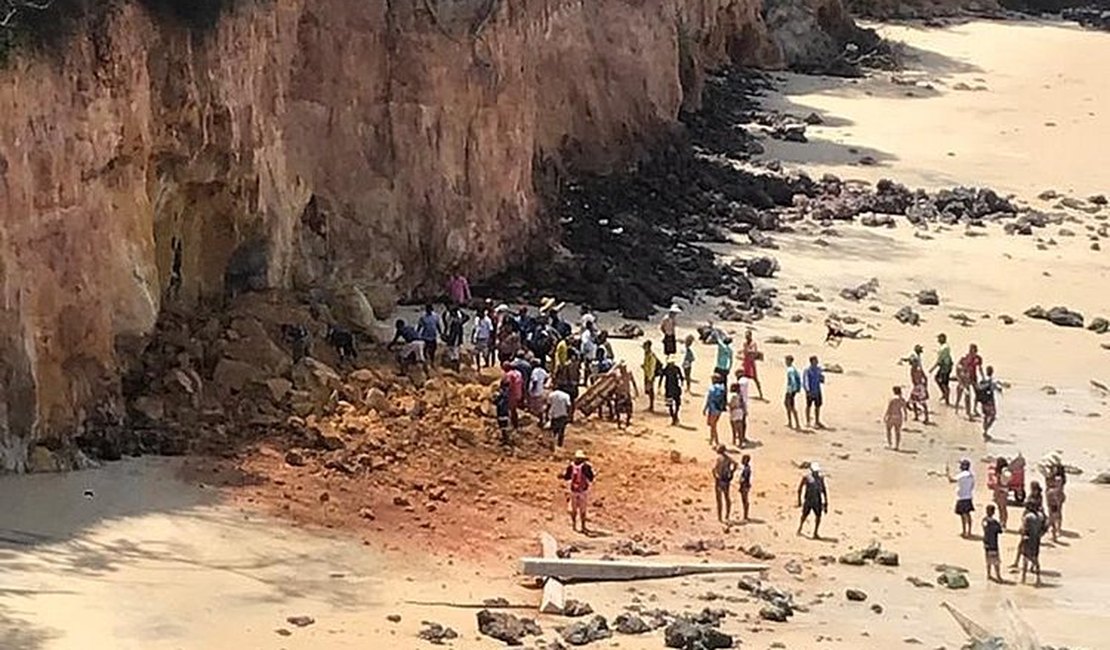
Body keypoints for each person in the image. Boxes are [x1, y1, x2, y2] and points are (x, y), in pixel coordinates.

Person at [561, 450, 595, 534]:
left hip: (573, 490)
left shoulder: (571, 466)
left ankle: (574, 525)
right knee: (582, 509)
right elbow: (591, 478)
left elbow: (567, 477)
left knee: (574, 509)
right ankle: (582, 526)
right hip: (583, 490)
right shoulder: (586, 467)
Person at [796, 463, 828, 539]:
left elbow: (824, 490)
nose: (816, 473)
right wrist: (799, 501)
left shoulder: (821, 479)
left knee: (818, 517)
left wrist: (826, 502)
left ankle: (815, 532)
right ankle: (800, 528)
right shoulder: (806, 478)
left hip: (818, 501)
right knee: (804, 515)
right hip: (808, 500)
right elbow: (799, 489)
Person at [947, 458, 976, 538]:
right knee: (968, 514)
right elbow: (972, 486)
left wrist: (948, 473)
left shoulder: (961, 475)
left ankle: (964, 531)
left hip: (961, 497)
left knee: (962, 515)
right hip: (968, 496)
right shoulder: (971, 475)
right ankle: (969, 531)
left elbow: (951, 480)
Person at [1020, 500, 1045, 586]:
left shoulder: (1028, 517)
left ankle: (1023, 578)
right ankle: (1038, 578)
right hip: (1036, 540)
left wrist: (1023, 535)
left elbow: (1023, 529)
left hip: (1028, 539)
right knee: (1035, 559)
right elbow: (1045, 527)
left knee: (1025, 559)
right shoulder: (1040, 516)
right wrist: (1040, 534)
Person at [956, 344, 984, 419]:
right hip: (966, 379)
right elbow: (958, 367)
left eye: (974, 351)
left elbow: (980, 368)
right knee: (966, 395)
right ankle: (962, 409)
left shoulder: (978, 358)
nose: (972, 352)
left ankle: (974, 409)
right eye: (971, 351)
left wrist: (983, 377)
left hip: (974, 378)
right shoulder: (965, 358)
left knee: (978, 394)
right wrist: (960, 378)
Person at [712, 445, 737, 524]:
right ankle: (727, 515)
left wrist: (716, 477)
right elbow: (736, 464)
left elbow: (714, 469)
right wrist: (732, 472)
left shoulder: (718, 459)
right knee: (727, 497)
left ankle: (720, 517)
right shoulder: (728, 458)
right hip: (726, 479)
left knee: (719, 499)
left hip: (719, 480)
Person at [976, 365, 1001, 440]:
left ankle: (985, 431)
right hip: (990, 401)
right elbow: (995, 388)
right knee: (992, 416)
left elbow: (978, 388)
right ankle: (985, 431)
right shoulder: (991, 381)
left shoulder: (982, 379)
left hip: (983, 401)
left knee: (986, 416)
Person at [660, 356, 685, 426]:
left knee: (672, 404)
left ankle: (674, 417)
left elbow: (661, 377)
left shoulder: (667, 369)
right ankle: (675, 417)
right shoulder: (676, 368)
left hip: (669, 389)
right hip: (674, 388)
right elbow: (682, 378)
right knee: (674, 404)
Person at [703, 374, 727, 447]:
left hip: (713, 408)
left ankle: (716, 441)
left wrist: (705, 408)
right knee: (713, 424)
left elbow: (709, 399)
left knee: (713, 425)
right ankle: (711, 439)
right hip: (719, 409)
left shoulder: (712, 388)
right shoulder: (722, 387)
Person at [802, 355, 825, 429]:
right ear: (811, 362)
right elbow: (805, 381)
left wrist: (822, 378)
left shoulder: (818, 369)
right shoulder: (807, 370)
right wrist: (807, 390)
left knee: (817, 406)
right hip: (810, 391)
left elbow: (821, 380)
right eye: (815, 360)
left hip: (817, 391)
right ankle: (808, 421)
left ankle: (817, 421)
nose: (817, 362)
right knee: (808, 406)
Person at [983, 504, 1004, 583]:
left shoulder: (984, 520)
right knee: (996, 561)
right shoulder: (994, 522)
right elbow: (1000, 531)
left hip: (986, 542)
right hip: (994, 543)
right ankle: (998, 576)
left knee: (988, 559)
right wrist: (1001, 525)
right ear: (994, 512)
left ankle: (989, 574)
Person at [988, 457, 1011, 529]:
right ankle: (1002, 522)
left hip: (1001, 491)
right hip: (1002, 491)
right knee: (1002, 508)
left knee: (1002, 508)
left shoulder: (1002, 472)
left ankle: (1003, 522)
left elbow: (999, 482)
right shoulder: (1003, 471)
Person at [931, 333, 954, 406]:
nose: (938, 340)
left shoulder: (944, 348)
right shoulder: (944, 347)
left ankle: (947, 399)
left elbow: (939, 360)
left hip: (945, 367)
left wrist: (932, 368)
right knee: (938, 379)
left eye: (939, 338)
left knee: (944, 383)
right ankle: (944, 393)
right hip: (946, 366)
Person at [883, 385, 909, 450]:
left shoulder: (892, 399)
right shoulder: (902, 400)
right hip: (899, 416)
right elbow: (905, 409)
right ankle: (897, 445)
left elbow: (889, 408)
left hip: (892, 416)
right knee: (897, 431)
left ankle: (890, 444)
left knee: (888, 430)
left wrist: (885, 416)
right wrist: (906, 416)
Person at [612, 362, 637, 428]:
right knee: (618, 409)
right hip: (620, 394)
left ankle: (627, 422)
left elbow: (634, 382)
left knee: (629, 410)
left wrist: (636, 391)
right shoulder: (617, 376)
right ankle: (619, 423)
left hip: (626, 394)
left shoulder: (628, 374)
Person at [442, 304, 467, 370]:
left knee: (454, 353)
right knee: (453, 353)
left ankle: (455, 368)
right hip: (454, 337)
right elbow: (446, 325)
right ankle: (454, 367)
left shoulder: (455, 320)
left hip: (454, 338)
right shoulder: (449, 316)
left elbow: (453, 331)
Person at [741, 330, 764, 400]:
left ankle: (760, 393)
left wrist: (748, 351)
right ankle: (741, 392)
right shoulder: (745, 343)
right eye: (746, 336)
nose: (746, 337)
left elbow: (754, 352)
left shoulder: (753, 343)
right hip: (746, 362)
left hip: (751, 363)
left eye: (748, 336)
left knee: (755, 379)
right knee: (742, 377)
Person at [909, 356, 931, 425]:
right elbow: (913, 379)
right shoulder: (913, 369)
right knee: (913, 402)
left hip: (920, 387)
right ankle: (916, 416)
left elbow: (925, 378)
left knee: (923, 403)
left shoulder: (918, 370)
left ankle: (926, 418)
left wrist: (925, 386)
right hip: (916, 387)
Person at [501, 362, 524, 429]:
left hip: (512, 394)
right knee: (514, 409)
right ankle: (514, 423)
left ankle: (514, 424)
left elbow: (507, 384)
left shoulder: (508, 375)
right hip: (518, 393)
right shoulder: (518, 373)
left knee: (511, 410)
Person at [641, 340, 661, 412]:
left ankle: (651, 406)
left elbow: (652, 367)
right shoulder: (647, 354)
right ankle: (650, 405)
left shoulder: (651, 355)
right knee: (648, 390)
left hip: (649, 375)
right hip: (647, 374)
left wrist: (650, 378)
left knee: (650, 390)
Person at [1046, 474, 1065, 543]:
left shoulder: (1056, 490)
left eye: (1059, 482)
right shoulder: (1053, 490)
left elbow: (1062, 498)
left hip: (1055, 507)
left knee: (1052, 520)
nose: (1058, 483)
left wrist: (1058, 502)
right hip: (1053, 506)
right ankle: (1054, 534)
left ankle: (1055, 533)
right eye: (1057, 481)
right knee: (1052, 521)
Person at [529, 362, 550, 426]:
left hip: (535, 392)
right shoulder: (542, 370)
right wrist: (543, 383)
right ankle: (544, 417)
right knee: (540, 406)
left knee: (537, 408)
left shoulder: (535, 371)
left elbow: (535, 380)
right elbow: (547, 376)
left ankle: (541, 420)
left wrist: (533, 389)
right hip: (541, 390)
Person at [784, 355, 802, 430]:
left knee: (791, 406)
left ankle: (796, 423)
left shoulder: (790, 370)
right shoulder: (793, 369)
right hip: (791, 390)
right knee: (787, 404)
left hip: (790, 390)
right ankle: (790, 422)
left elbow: (793, 380)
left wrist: (792, 390)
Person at [728, 383, 747, 448]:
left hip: (734, 411)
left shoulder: (733, 395)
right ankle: (740, 442)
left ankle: (734, 440)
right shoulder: (740, 395)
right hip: (740, 411)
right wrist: (745, 411)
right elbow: (743, 404)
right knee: (740, 427)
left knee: (733, 427)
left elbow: (730, 403)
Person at [493, 379, 512, 445]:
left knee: (502, 426)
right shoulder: (509, 392)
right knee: (505, 425)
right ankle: (506, 439)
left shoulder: (501, 392)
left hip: (501, 410)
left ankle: (505, 440)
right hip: (506, 410)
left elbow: (495, 401)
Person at [738, 454, 753, 522]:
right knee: (745, 500)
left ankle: (745, 516)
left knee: (745, 501)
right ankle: (745, 515)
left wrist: (740, 481)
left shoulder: (746, 469)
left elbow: (744, 478)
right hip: (745, 485)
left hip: (745, 486)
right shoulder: (747, 468)